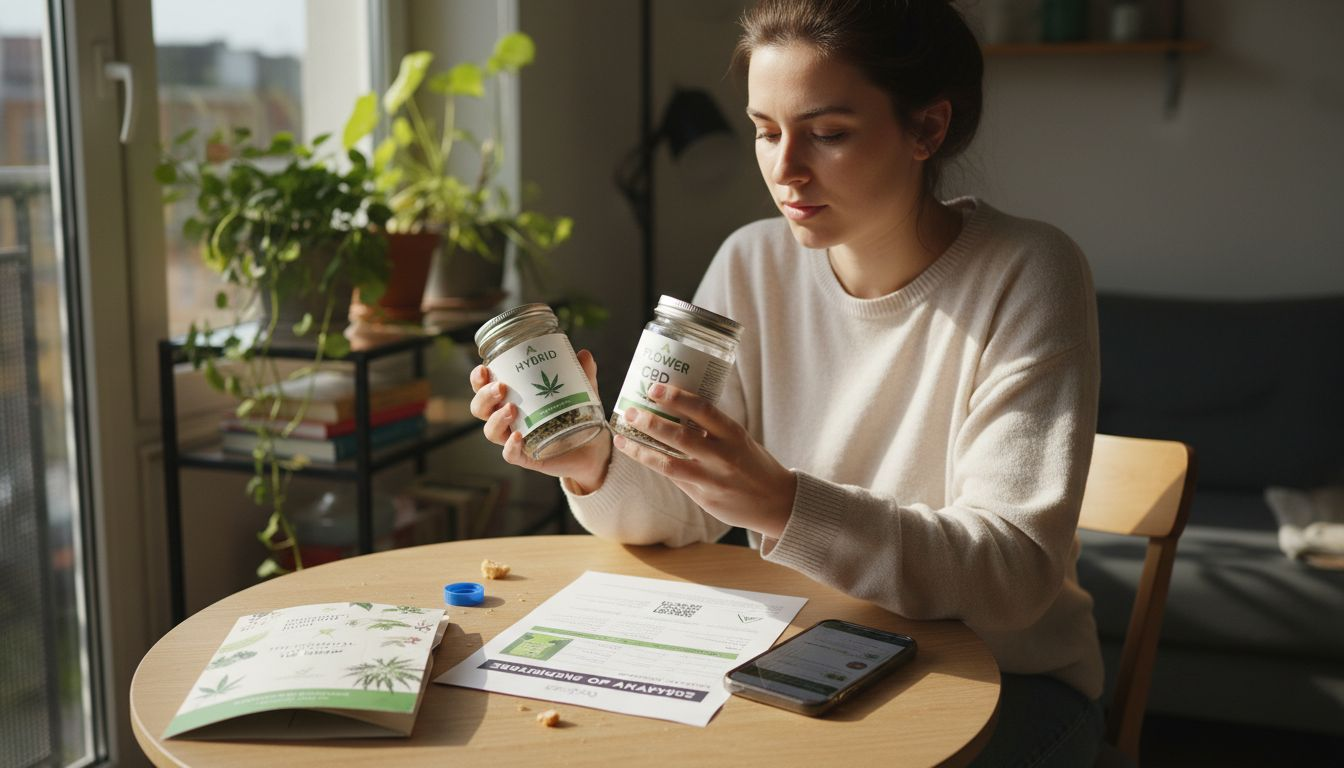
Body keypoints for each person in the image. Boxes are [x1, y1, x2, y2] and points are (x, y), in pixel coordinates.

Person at [470, 0, 1105, 763]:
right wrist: (593, 463)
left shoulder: (1029, 272)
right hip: (803, 654)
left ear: (927, 129)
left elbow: (1015, 573)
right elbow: (682, 511)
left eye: (828, 134)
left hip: (1005, 682)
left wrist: (783, 503)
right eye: (766, 131)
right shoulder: (753, 261)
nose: (784, 169)